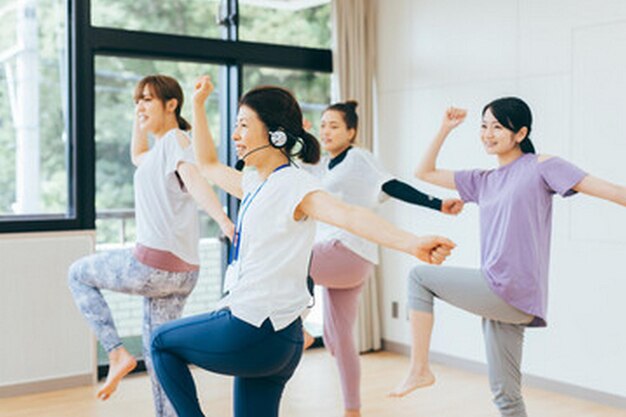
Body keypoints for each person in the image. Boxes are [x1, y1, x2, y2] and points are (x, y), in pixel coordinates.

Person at [149, 76, 456, 417]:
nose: (235, 136)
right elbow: (206, 164)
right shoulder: (254, 183)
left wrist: (412, 242)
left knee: (161, 342)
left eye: (243, 126)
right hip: (283, 341)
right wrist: (199, 104)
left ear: (275, 134)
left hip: (252, 327)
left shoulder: (294, 185)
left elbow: (349, 215)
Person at [390, 97, 626, 417]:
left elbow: (613, 191)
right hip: (500, 292)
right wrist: (445, 128)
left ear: (520, 133)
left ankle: (419, 369)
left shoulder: (543, 166)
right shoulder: (483, 180)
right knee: (506, 395)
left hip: (510, 287)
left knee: (419, 278)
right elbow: (424, 172)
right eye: (484, 126)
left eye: (498, 126)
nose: (488, 133)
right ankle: (421, 371)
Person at [68, 75, 234, 417]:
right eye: (136, 101)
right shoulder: (160, 150)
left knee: (78, 273)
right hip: (181, 274)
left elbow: (196, 181)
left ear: (171, 104)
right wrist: (140, 116)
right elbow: (136, 153)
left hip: (154, 267)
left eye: (147, 99)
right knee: (159, 353)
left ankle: (116, 353)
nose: (140, 106)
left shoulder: (176, 140)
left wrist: (223, 220)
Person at [303, 100, 464, 417]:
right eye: (323, 125)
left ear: (352, 131)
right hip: (345, 259)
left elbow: (391, 185)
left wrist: (437, 203)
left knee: (289, 260)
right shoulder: (325, 165)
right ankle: (353, 410)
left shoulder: (358, 158)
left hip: (347, 250)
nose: (326, 131)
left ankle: (298, 330)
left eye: (334, 125)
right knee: (339, 340)